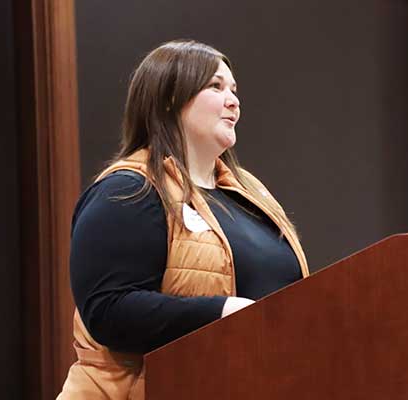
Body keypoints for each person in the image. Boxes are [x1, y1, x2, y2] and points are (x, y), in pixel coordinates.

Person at [57, 40, 309, 399]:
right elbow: (107, 310)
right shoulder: (128, 191)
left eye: (234, 90)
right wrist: (223, 311)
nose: (233, 100)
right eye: (216, 86)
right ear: (169, 99)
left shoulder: (249, 191)